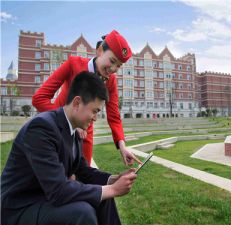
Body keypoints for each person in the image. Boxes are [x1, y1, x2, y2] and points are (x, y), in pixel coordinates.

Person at [1, 71, 137, 225]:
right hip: (20, 208)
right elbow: (58, 190)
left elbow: (83, 171)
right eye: (95, 111)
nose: (95, 118)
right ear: (77, 103)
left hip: (45, 198)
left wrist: (112, 180)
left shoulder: (72, 129)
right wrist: (112, 189)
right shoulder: (41, 128)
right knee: (82, 212)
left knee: (103, 198)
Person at [32, 29, 141, 166]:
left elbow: (114, 116)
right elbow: (39, 98)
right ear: (100, 50)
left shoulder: (111, 81)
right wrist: (69, 122)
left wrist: (123, 146)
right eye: (112, 61)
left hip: (84, 135)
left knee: (84, 177)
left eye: (118, 66)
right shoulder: (73, 64)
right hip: (58, 130)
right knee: (59, 178)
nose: (113, 69)